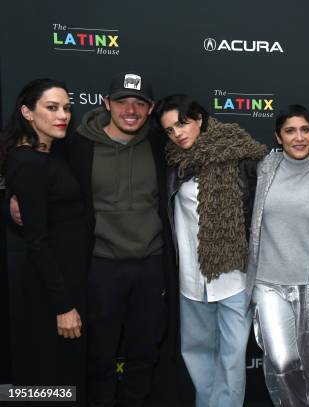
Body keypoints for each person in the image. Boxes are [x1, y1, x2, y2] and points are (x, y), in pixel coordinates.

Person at [62, 71, 174, 406]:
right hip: (102, 266)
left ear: (150, 108)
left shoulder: (160, 144)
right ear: (106, 103)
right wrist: (16, 197)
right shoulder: (78, 145)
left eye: (139, 103)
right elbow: (44, 173)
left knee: (144, 351)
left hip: (150, 266)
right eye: (122, 101)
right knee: (99, 353)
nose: (130, 110)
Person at [154, 94, 267, 407]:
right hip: (191, 280)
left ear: (199, 119)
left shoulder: (240, 155)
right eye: (169, 130)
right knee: (196, 352)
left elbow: (262, 210)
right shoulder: (171, 162)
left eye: (182, 123)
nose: (177, 133)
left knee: (232, 359)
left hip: (233, 276)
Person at [1, 78, 88, 405]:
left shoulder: (52, 153)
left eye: (66, 107)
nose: (62, 115)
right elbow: (36, 240)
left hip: (67, 282)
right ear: (27, 112)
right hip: (49, 292)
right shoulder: (28, 161)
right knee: (49, 381)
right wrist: (62, 306)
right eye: (51, 108)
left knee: (65, 378)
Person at [245, 104, 309, 406]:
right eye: (290, 131)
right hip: (268, 283)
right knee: (282, 362)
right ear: (278, 136)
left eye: (305, 130)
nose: (299, 138)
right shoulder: (264, 168)